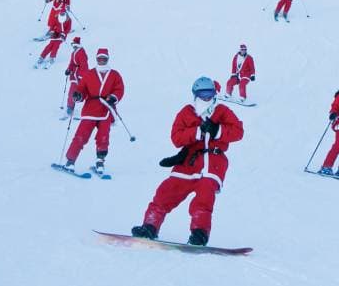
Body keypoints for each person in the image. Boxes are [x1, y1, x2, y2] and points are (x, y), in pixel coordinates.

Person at [131, 77, 244, 246]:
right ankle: (150, 226)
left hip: (213, 161)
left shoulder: (222, 111)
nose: (206, 98)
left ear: (214, 94)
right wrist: (197, 132)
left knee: (204, 196)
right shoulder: (186, 112)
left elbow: (238, 131)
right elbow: (176, 138)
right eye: (202, 94)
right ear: (195, 94)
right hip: (189, 161)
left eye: (209, 94)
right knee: (166, 191)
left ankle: (199, 233)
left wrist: (218, 130)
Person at [63, 48, 125, 176]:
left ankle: (100, 161)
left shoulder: (114, 74)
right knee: (81, 135)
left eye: (104, 58)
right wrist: (78, 95)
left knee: (103, 138)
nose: (101, 60)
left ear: (107, 59)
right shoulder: (89, 74)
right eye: (99, 58)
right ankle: (70, 161)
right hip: (90, 109)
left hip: (105, 110)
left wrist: (114, 97)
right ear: (96, 59)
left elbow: (120, 89)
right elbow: (81, 89)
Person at [61, 37, 88, 120]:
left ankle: (88, 109)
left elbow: (84, 65)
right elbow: (72, 63)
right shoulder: (73, 53)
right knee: (72, 92)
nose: (73, 46)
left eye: (74, 45)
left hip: (81, 76)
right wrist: (68, 69)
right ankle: (70, 107)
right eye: (72, 45)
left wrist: (82, 76)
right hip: (74, 75)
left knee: (83, 93)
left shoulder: (82, 52)